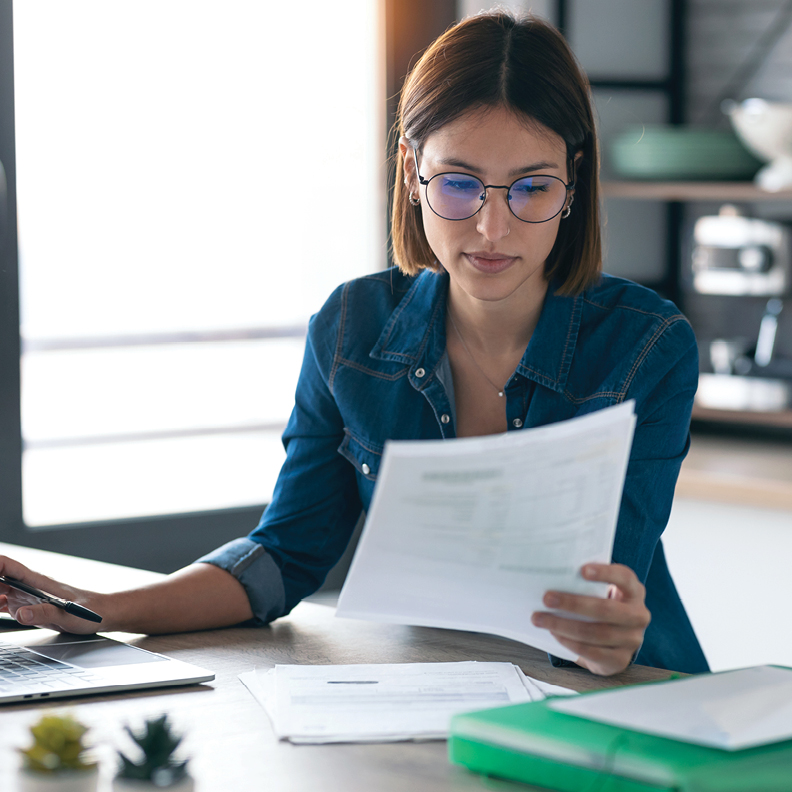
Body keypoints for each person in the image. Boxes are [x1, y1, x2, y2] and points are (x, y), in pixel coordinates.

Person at [0, 11, 709, 676]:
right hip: (433, 699)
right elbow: (283, 557)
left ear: (573, 183)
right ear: (411, 170)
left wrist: (613, 631)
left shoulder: (646, 346)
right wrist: (98, 609)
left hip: (623, 696)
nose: (494, 229)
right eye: (459, 185)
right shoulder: (351, 329)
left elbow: (614, 590)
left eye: (531, 188)